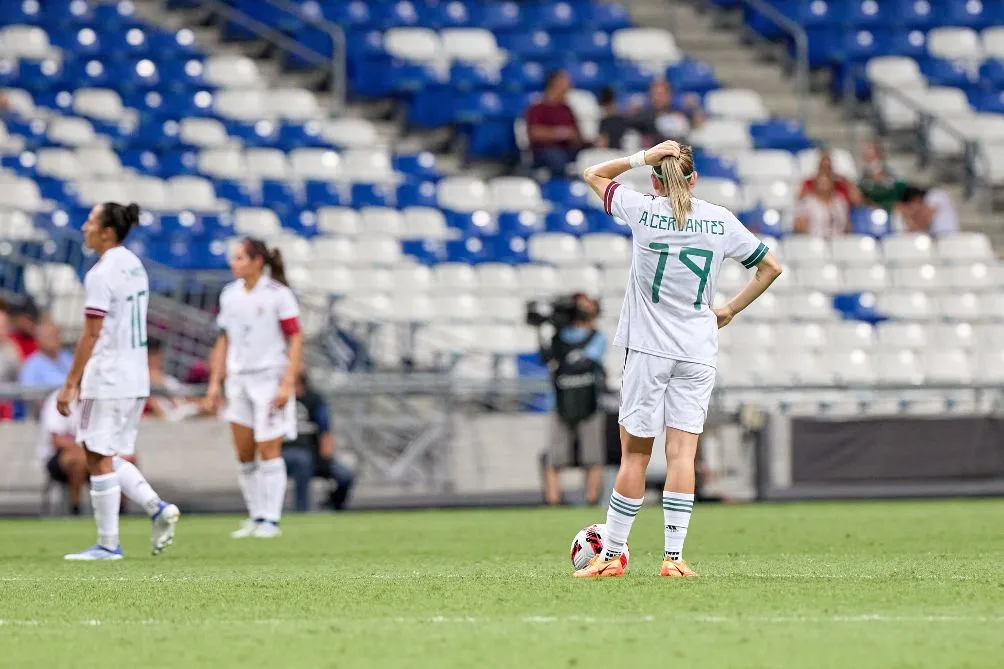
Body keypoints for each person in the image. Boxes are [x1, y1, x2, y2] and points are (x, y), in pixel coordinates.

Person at [574, 139, 782, 578]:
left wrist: (642, 156)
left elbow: (594, 173)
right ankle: (673, 559)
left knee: (635, 456)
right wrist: (729, 309)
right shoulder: (720, 221)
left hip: (649, 348)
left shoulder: (641, 210)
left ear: (655, 179)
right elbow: (770, 267)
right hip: (697, 350)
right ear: (695, 178)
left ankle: (611, 556)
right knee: (683, 454)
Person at [56, 202, 181, 560]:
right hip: (136, 376)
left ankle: (109, 544)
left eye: (91, 222)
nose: (84, 227)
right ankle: (156, 507)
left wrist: (70, 382)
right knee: (107, 455)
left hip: (107, 375)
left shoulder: (101, 272)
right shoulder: (134, 265)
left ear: (107, 231)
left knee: (96, 455)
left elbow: (91, 334)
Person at [205, 237, 303, 539]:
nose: (233, 264)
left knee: (269, 448)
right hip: (238, 379)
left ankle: (271, 519)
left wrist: (288, 381)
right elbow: (224, 339)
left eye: (239, 258)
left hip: (269, 378)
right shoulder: (229, 295)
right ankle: (256, 515)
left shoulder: (278, 295)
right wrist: (214, 383)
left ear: (257, 261)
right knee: (244, 451)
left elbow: (296, 338)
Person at [541, 293, 607, 506]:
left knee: (593, 456)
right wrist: (545, 329)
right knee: (554, 457)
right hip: (560, 402)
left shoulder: (597, 337)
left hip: (589, 402)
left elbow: (584, 362)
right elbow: (546, 357)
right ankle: (553, 501)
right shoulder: (558, 337)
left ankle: (591, 500)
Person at [282, 373, 355, 512]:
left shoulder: (314, 400)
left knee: (345, 476)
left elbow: (325, 431)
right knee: (301, 461)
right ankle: (301, 510)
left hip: (314, 453)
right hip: (285, 453)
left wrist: (325, 457)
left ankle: (334, 508)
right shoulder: (279, 399)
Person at [38, 389, 87, 515]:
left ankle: (119, 511)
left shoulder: (96, 398)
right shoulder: (60, 398)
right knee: (78, 460)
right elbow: (56, 440)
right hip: (56, 456)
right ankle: (75, 507)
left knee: (121, 459)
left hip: (89, 453)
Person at [525, 70, 582, 176]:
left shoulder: (567, 109)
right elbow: (535, 133)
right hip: (544, 152)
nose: (569, 86)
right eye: (565, 83)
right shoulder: (537, 108)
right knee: (556, 157)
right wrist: (561, 133)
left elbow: (576, 134)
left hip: (568, 150)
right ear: (554, 84)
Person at [145, 338, 201, 421]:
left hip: (182, 410)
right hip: (168, 418)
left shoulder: (168, 380)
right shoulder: (143, 385)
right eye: (152, 355)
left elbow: (189, 396)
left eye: (157, 355)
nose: (155, 359)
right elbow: (158, 412)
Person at [633, 80, 696, 146]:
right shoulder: (642, 117)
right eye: (654, 94)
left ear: (669, 95)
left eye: (661, 94)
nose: (657, 98)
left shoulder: (679, 114)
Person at [793, 172, 850, 237]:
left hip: (838, 240)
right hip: (814, 240)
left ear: (832, 184)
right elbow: (799, 226)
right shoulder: (808, 202)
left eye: (827, 182)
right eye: (821, 182)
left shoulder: (840, 202)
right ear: (816, 184)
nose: (824, 185)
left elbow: (846, 225)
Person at [18, 320, 73, 388]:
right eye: (50, 336)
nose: (55, 339)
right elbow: (27, 394)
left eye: (56, 335)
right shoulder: (31, 365)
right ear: (39, 340)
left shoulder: (67, 357)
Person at [858, 141, 906, 212]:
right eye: (865, 154)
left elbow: (898, 187)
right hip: (871, 209)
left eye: (871, 153)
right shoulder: (862, 174)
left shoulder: (890, 170)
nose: (868, 156)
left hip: (890, 208)